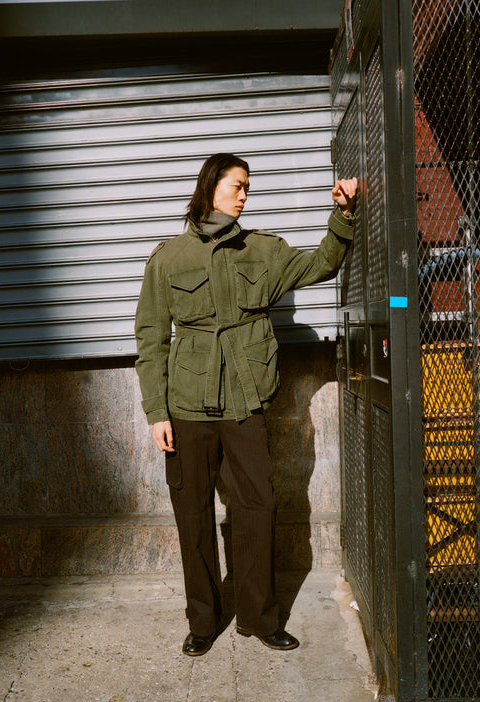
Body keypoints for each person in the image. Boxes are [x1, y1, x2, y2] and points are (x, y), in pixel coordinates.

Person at [135, 153, 357, 657]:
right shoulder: (168, 258)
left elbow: (320, 263)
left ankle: (257, 616)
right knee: (192, 515)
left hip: (244, 400)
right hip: (187, 406)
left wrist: (343, 218)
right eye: (237, 185)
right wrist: (156, 413)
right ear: (211, 186)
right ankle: (203, 619)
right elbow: (150, 340)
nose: (244, 195)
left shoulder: (263, 250)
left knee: (257, 507)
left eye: (247, 187)